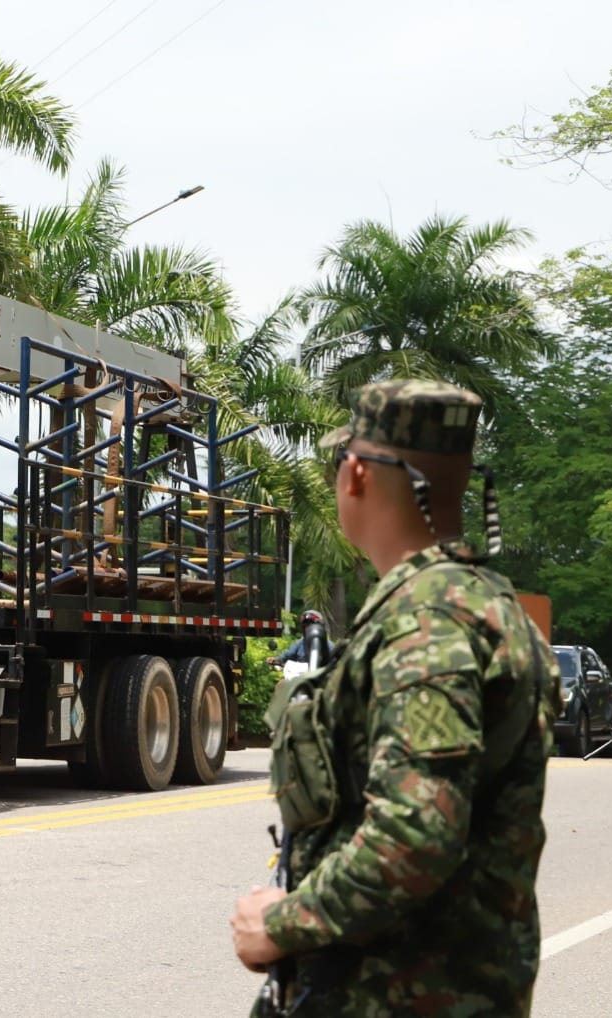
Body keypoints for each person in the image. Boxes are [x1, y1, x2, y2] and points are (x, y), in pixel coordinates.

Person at [231, 379, 557, 1014]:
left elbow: (416, 833)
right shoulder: (483, 604)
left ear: (355, 473)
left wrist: (280, 924)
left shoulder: (427, 622)